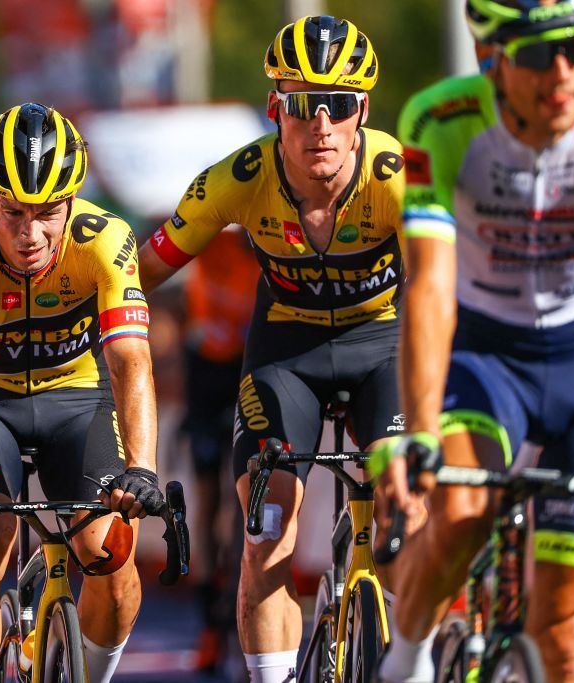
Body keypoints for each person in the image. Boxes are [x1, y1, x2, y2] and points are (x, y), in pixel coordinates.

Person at [137, 16, 407, 683]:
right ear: (274, 108)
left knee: (413, 505)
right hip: (288, 356)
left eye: (338, 105)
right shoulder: (239, 177)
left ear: (362, 112)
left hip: (384, 352)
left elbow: (459, 279)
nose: (321, 123)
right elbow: (141, 272)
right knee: (266, 532)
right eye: (300, 104)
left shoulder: (398, 173)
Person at [371, 0, 574, 681]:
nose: (561, 73)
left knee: (569, 624)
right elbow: (429, 287)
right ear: (494, 60)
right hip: (485, 356)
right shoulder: (442, 121)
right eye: (536, 55)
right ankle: (408, 659)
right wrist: (417, 432)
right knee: (460, 511)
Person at [0, 102, 163, 683]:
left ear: (73, 201)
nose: (31, 234)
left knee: (109, 550)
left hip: (75, 399)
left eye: (49, 212)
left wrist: (144, 466)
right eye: (12, 212)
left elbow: (130, 360)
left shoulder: (106, 242)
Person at [178, 227, 260, 674]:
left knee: (241, 500)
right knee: (207, 501)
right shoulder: (213, 238)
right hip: (206, 376)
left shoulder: (275, 248)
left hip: (246, 373)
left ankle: (235, 609)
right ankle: (211, 623)